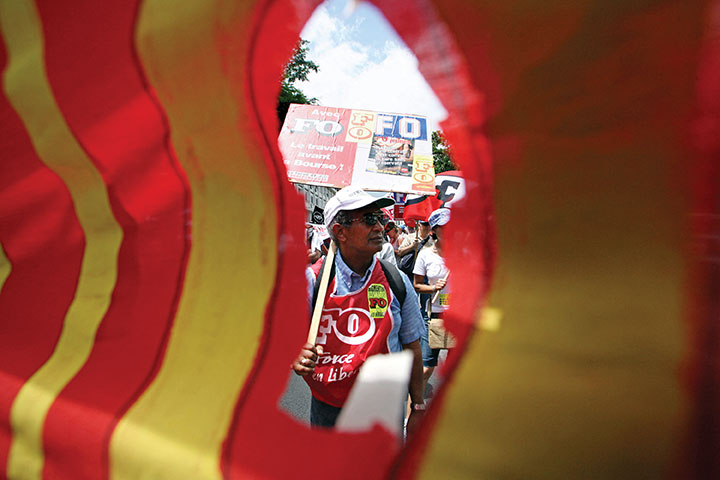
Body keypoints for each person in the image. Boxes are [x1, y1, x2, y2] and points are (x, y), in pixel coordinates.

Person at [292, 186, 427, 433]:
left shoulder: (395, 280)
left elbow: (412, 346)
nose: (378, 227)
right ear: (339, 232)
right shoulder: (312, 281)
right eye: (367, 219)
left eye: (379, 218)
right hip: (329, 409)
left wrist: (417, 404)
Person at [412, 208, 451, 393]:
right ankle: (412, 411)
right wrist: (434, 288)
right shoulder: (425, 255)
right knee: (427, 367)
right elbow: (416, 286)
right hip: (433, 315)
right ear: (434, 230)